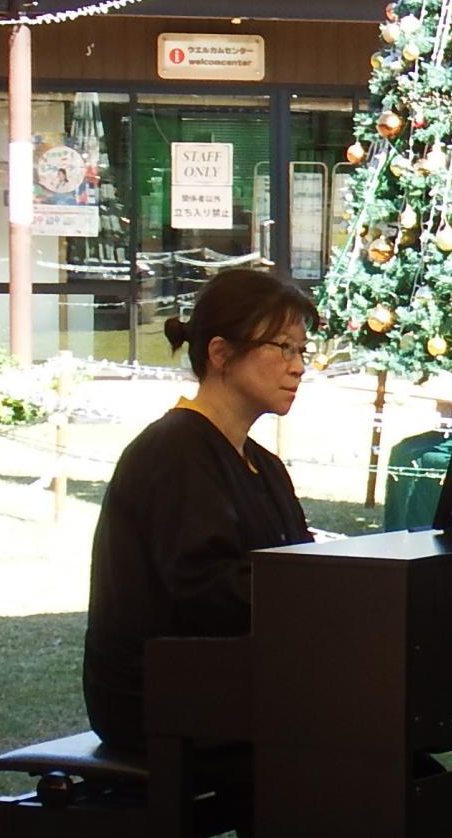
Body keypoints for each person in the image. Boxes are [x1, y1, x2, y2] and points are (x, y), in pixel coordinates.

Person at [82, 268, 318, 750]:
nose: (298, 367)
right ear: (220, 353)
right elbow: (207, 591)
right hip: (160, 697)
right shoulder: (172, 451)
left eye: (302, 351)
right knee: (356, 757)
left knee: (396, 760)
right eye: (282, 347)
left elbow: (297, 568)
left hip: (233, 679)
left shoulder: (264, 466)